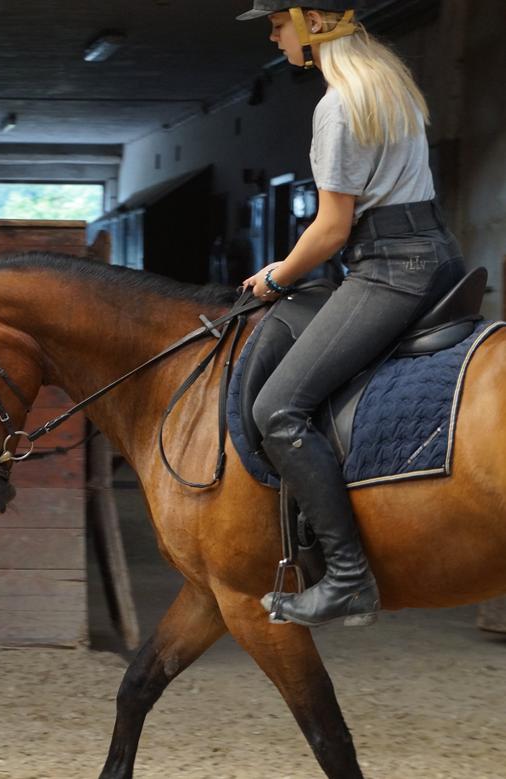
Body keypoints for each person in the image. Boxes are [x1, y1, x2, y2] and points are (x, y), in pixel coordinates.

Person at [237, 2, 466, 627]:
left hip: (390, 270)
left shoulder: (338, 105)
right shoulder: (388, 83)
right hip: (436, 254)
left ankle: (346, 579)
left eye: (277, 23)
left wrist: (277, 276)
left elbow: (333, 228)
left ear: (312, 20)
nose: (273, 36)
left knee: (276, 409)